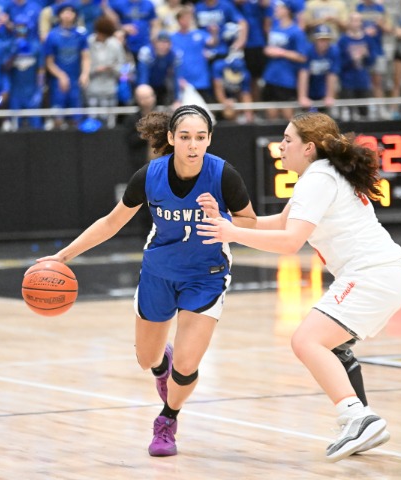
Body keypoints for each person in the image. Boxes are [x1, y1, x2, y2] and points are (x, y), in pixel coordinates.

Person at [34, 104, 257, 457]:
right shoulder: (150, 175)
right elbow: (111, 222)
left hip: (206, 275)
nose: (193, 145)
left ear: (209, 140)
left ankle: (168, 419)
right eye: (185, 137)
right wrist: (63, 256)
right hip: (159, 272)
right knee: (146, 359)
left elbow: (250, 223)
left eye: (200, 137)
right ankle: (160, 363)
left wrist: (224, 221)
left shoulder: (223, 175)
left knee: (187, 366)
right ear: (171, 138)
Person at [196, 111, 401, 462]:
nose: (281, 146)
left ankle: (357, 417)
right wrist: (224, 220)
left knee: (306, 340)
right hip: (380, 274)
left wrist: (231, 234)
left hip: (371, 275)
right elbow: (280, 224)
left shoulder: (318, 179)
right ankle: (361, 421)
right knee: (334, 347)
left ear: (308, 147)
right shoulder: (322, 175)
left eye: (287, 140)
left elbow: (290, 242)